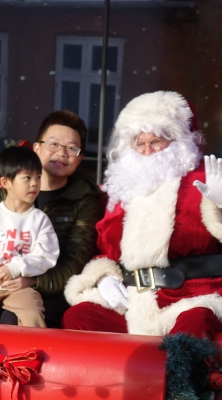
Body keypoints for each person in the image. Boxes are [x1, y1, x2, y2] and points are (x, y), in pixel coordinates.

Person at [62, 91, 222, 342]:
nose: (147, 151)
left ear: (178, 141)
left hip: (190, 297)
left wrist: (219, 206)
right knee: (79, 318)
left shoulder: (207, 181)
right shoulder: (123, 187)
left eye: (156, 141)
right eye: (139, 143)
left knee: (194, 327)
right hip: (133, 301)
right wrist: (103, 276)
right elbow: (106, 249)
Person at [0, 110, 104, 327]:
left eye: (71, 148)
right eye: (54, 144)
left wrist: (34, 281)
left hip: (51, 289)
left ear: (79, 159)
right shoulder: (8, 193)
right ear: (36, 148)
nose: (62, 153)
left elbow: (76, 260)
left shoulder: (85, 200)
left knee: (12, 319)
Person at [0, 146, 60, 327]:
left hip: (18, 288)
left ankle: (33, 346)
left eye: (38, 177)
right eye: (27, 177)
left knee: (32, 313)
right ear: (6, 182)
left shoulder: (39, 220)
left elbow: (46, 255)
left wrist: (16, 267)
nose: (35, 183)